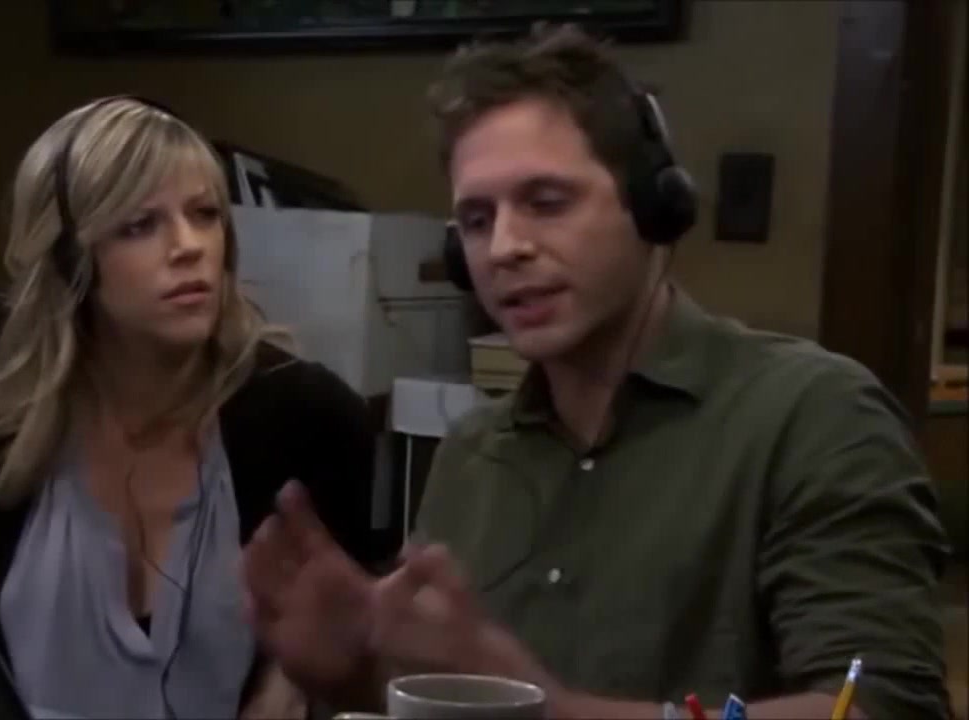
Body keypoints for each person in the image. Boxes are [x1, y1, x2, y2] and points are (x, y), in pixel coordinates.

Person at [242, 23, 952, 720]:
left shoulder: (814, 416)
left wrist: (551, 711)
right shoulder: (470, 456)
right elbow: (458, 699)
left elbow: (883, 707)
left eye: (547, 203)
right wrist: (359, 680)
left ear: (652, 206)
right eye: (478, 219)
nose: (505, 247)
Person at [0, 96, 383, 720]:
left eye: (205, 215)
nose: (189, 247)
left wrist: (296, 682)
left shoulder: (306, 417)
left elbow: (356, 648)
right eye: (141, 225)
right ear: (69, 260)